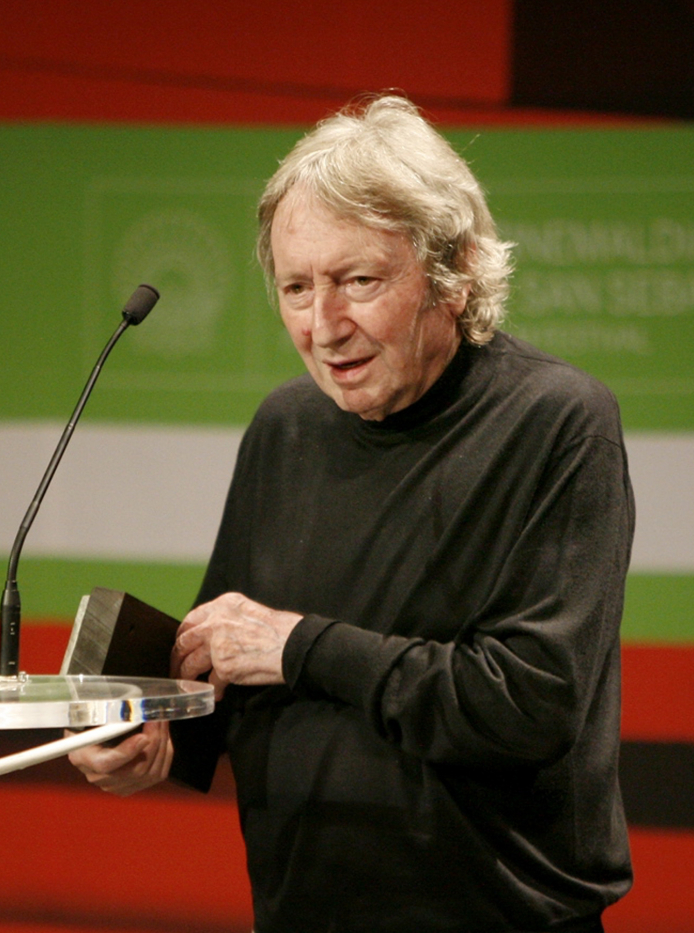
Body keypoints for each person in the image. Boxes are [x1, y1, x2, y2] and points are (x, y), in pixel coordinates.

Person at [70, 95, 635, 933]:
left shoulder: (555, 422)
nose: (323, 326)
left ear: (454, 271)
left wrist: (300, 645)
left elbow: (528, 704)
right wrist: (155, 734)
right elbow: (225, 666)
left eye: (358, 281)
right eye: (296, 287)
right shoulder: (284, 428)